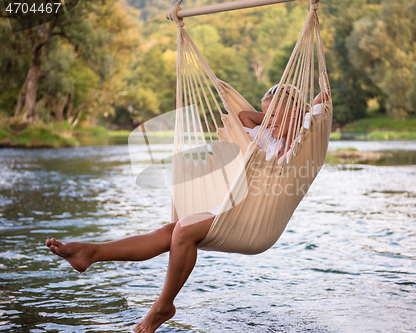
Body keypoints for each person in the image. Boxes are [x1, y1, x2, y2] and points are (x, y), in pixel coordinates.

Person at [45, 85, 329, 333]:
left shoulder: (305, 137)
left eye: (275, 118)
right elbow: (244, 116)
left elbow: (321, 99)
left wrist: (298, 113)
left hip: (258, 221)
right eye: (267, 118)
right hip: (236, 210)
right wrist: (272, 118)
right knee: (172, 230)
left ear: (295, 113)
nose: (269, 123)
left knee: (184, 230)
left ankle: (163, 306)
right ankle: (91, 253)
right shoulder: (267, 137)